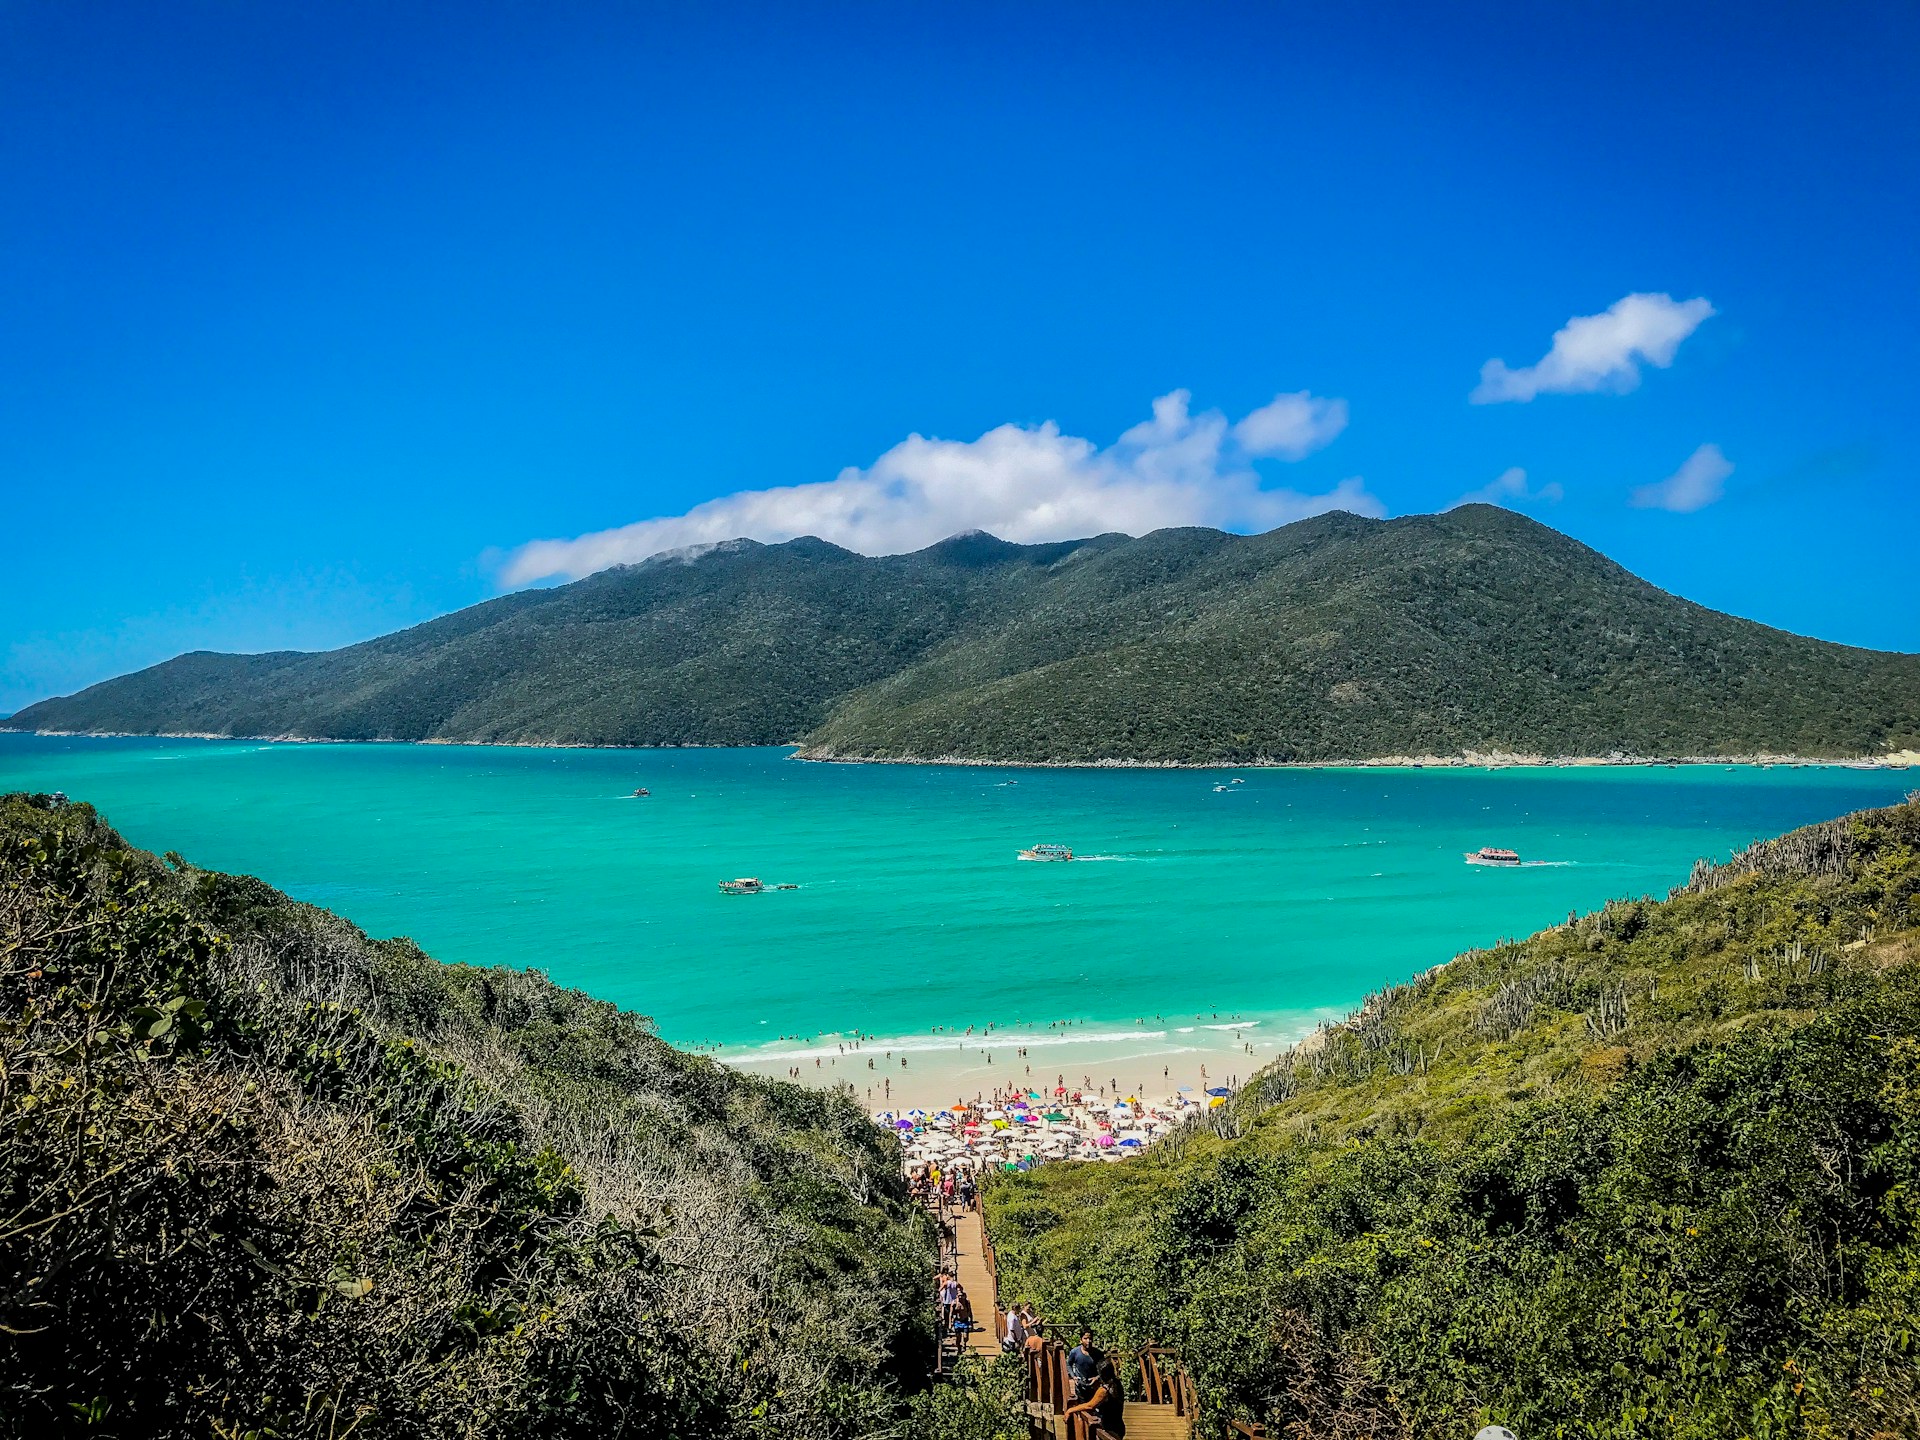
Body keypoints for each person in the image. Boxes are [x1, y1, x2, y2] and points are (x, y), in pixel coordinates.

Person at [1061, 1355, 1125, 1438]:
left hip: (1109, 1429)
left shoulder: (1104, 1390)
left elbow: (1090, 1405)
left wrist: (1071, 1410)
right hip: (1118, 1426)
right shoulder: (1117, 1384)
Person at [1066, 1330, 1101, 1402]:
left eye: (1090, 1338)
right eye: (1085, 1338)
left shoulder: (1098, 1353)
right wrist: (1073, 1377)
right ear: (1080, 1340)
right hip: (1080, 1385)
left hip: (1094, 1386)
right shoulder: (1074, 1352)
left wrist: (1097, 1378)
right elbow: (1069, 1364)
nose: (1088, 1341)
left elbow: (1103, 1369)